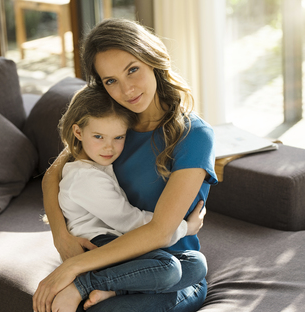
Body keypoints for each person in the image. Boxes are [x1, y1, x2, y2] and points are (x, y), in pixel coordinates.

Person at [33, 18, 217, 312]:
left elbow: (159, 232)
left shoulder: (194, 135)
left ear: (152, 60)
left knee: (193, 267)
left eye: (133, 70)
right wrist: (61, 238)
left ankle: (92, 286)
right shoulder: (112, 126)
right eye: (111, 81)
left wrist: (74, 270)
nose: (127, 90)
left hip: (171, 270)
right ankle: (101, 286)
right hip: (112, 260)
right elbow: (52, 175)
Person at [54, 85, 207, 311]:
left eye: (118, 137)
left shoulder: (97, 166)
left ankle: (114, 290)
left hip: (118, 242)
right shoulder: (85, 179)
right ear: (78, 132)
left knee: (196, 264)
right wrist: (186, 227)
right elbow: (129, 221)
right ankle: (84, 285)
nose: (109, 147)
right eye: (98, 136)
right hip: (99, 245)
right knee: (168, 267)